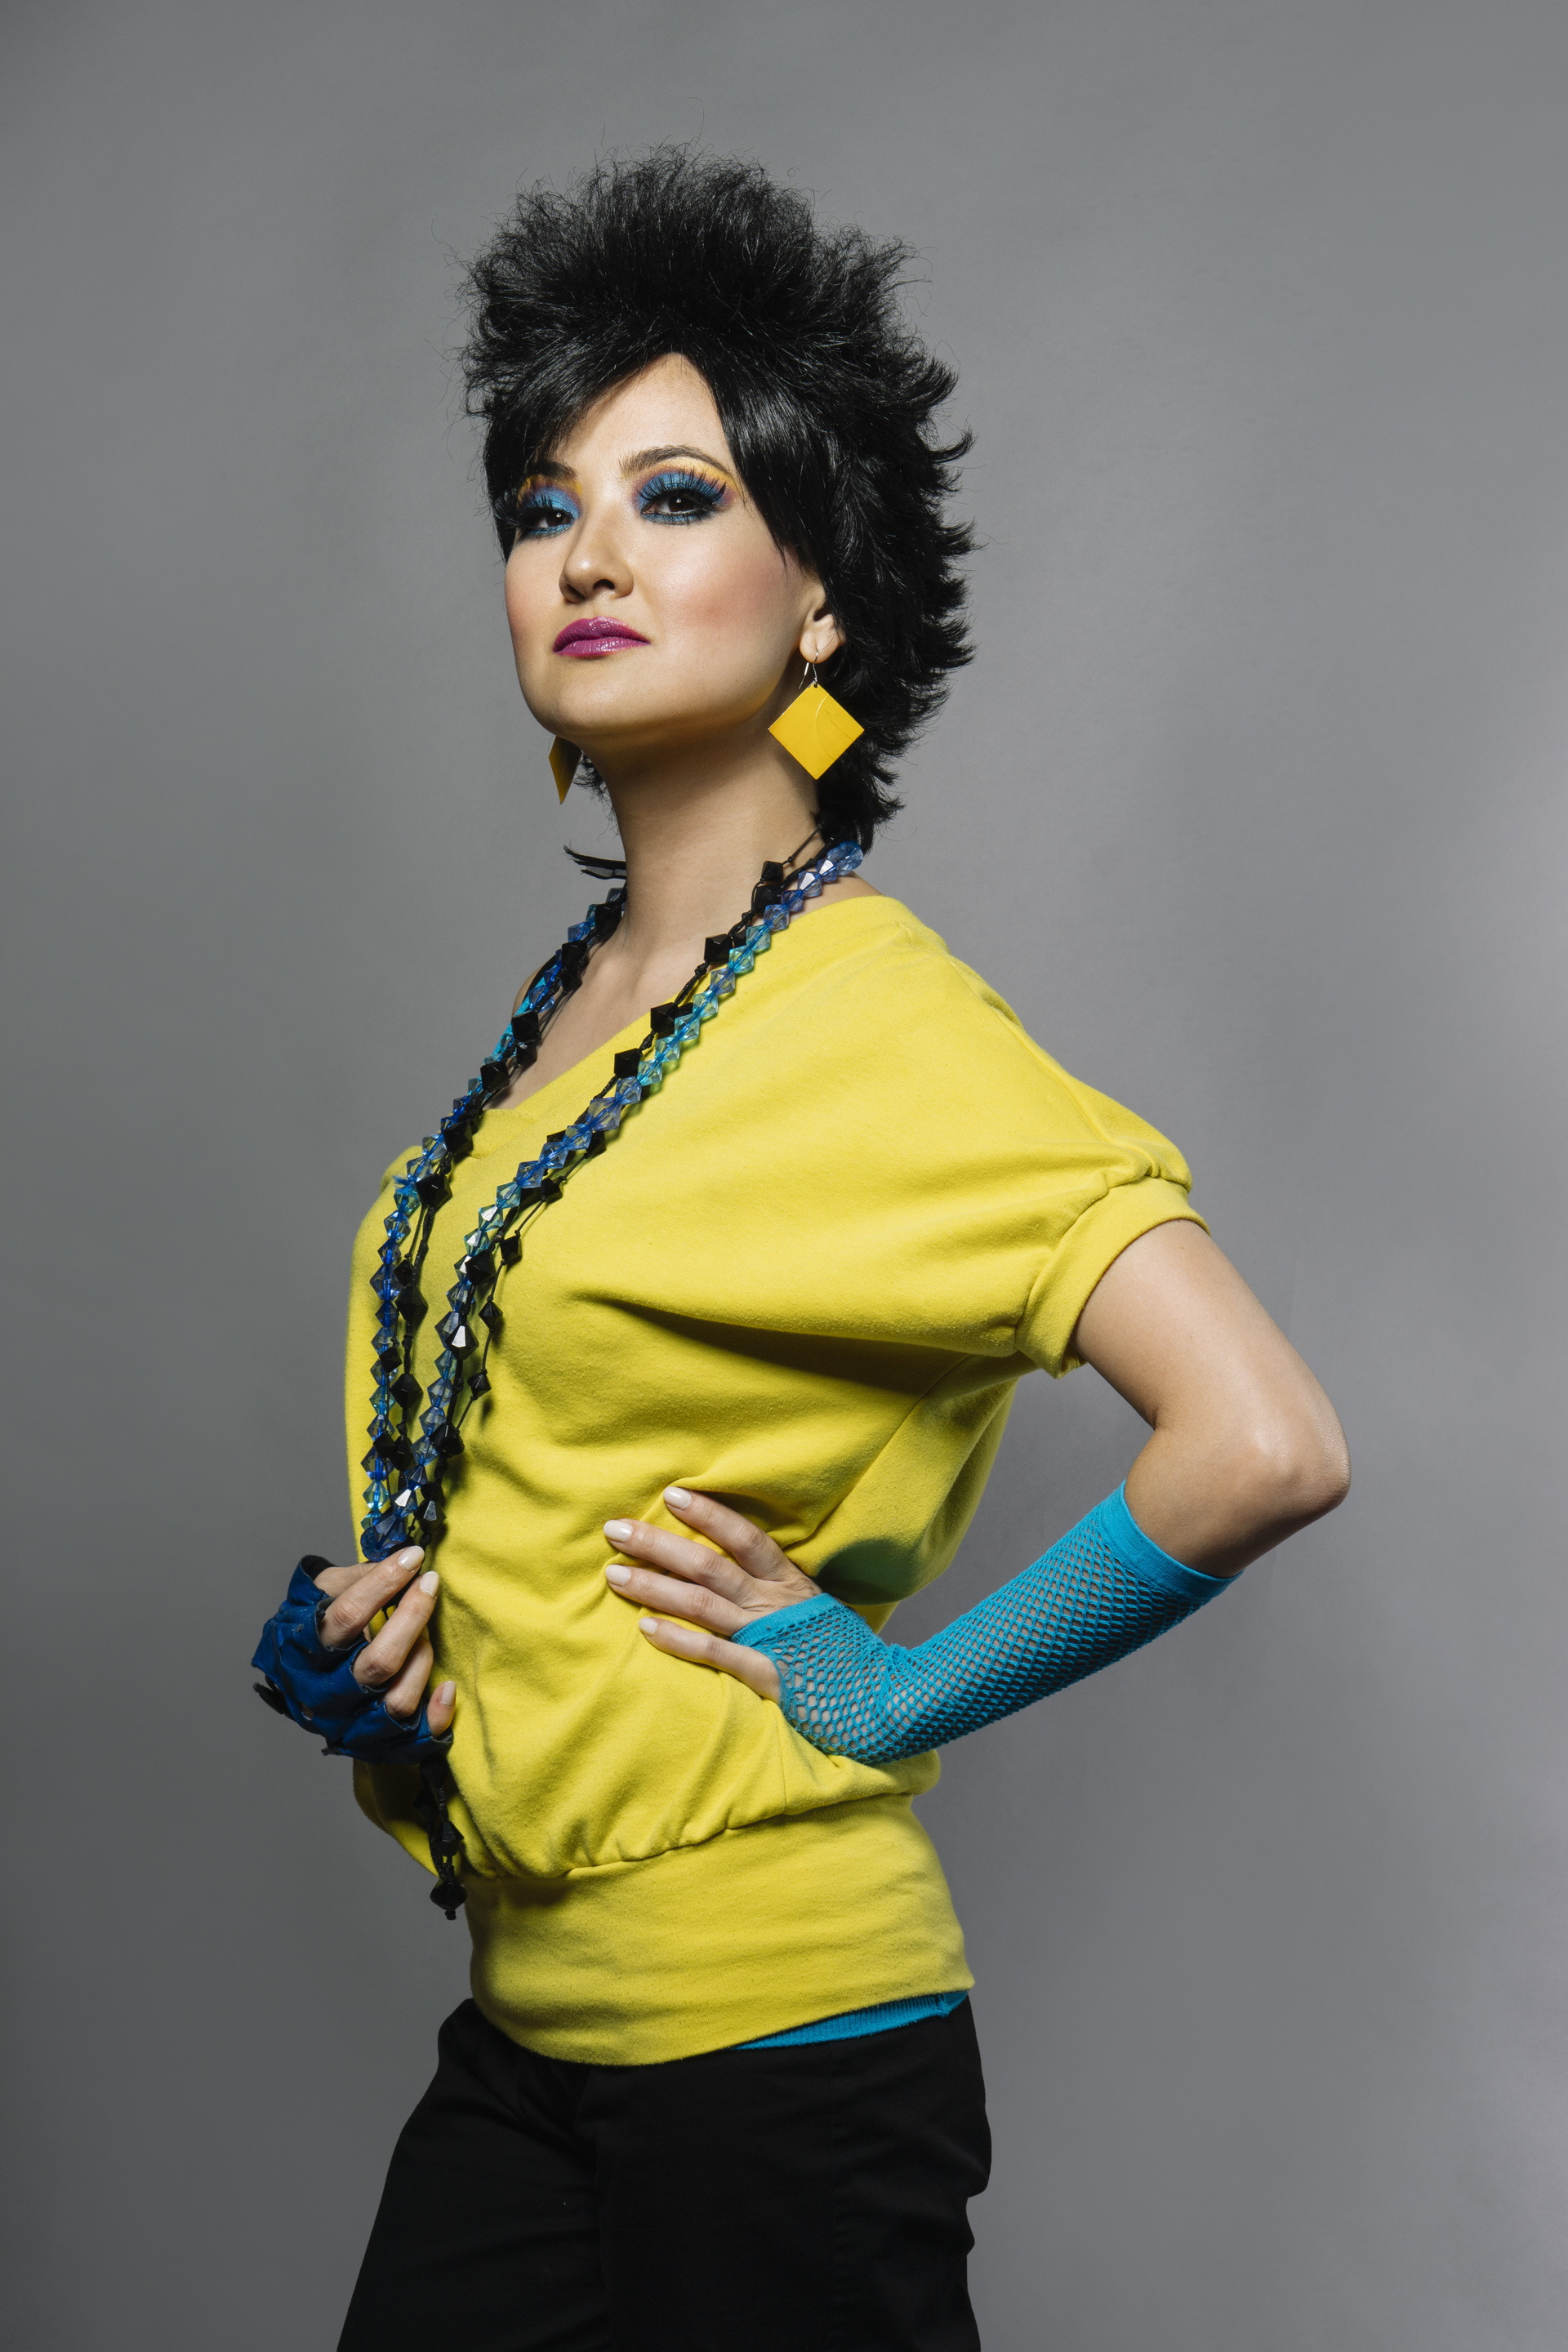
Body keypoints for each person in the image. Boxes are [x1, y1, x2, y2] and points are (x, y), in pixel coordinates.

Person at [252, 150, 1349, 2351]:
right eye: (542, 506)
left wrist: (900, 1688)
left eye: (674, 497)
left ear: (821, 600)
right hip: (525, 2035)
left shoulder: (875, 1022)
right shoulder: (571, 1023)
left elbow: (1264, 1441)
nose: (584, 553)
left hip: (782, 2066)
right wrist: (385, 1676)